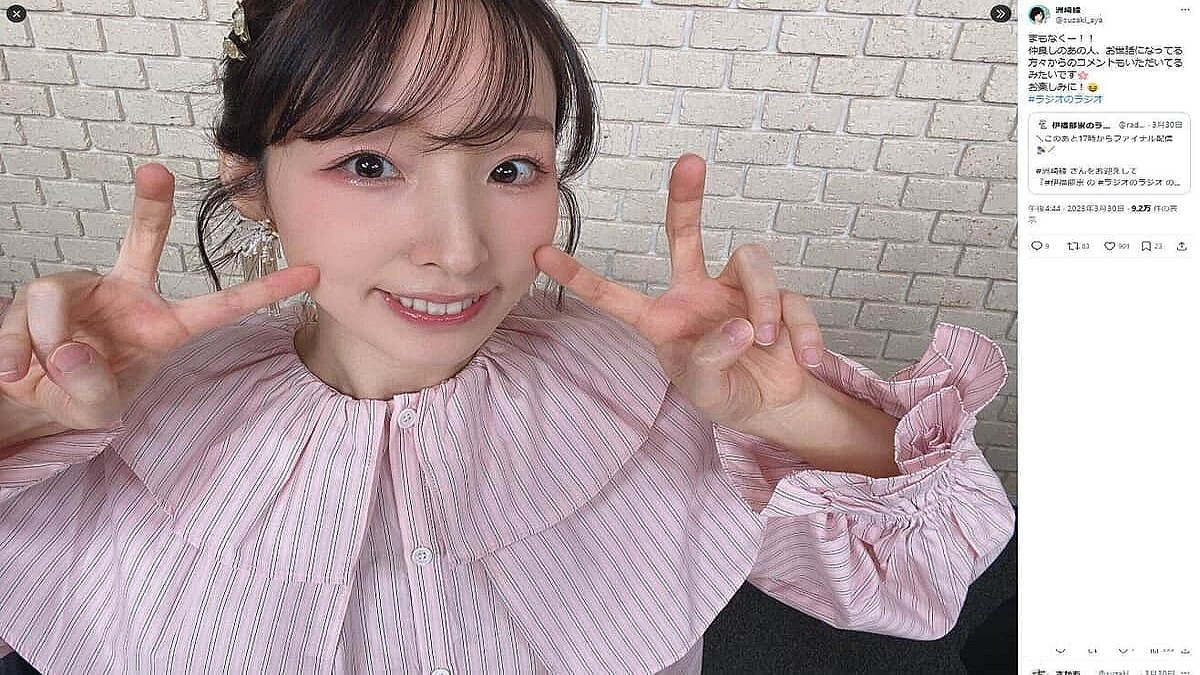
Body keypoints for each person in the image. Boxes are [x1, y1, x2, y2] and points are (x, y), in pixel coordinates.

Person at [0, 0, 1016, 672]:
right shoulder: (127, 415)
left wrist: (791, 407)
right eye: (368, 164)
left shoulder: (651, 386)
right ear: (251, 181)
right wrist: (24, 420)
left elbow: (926, 574)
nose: (458, 249)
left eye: (509, 168)